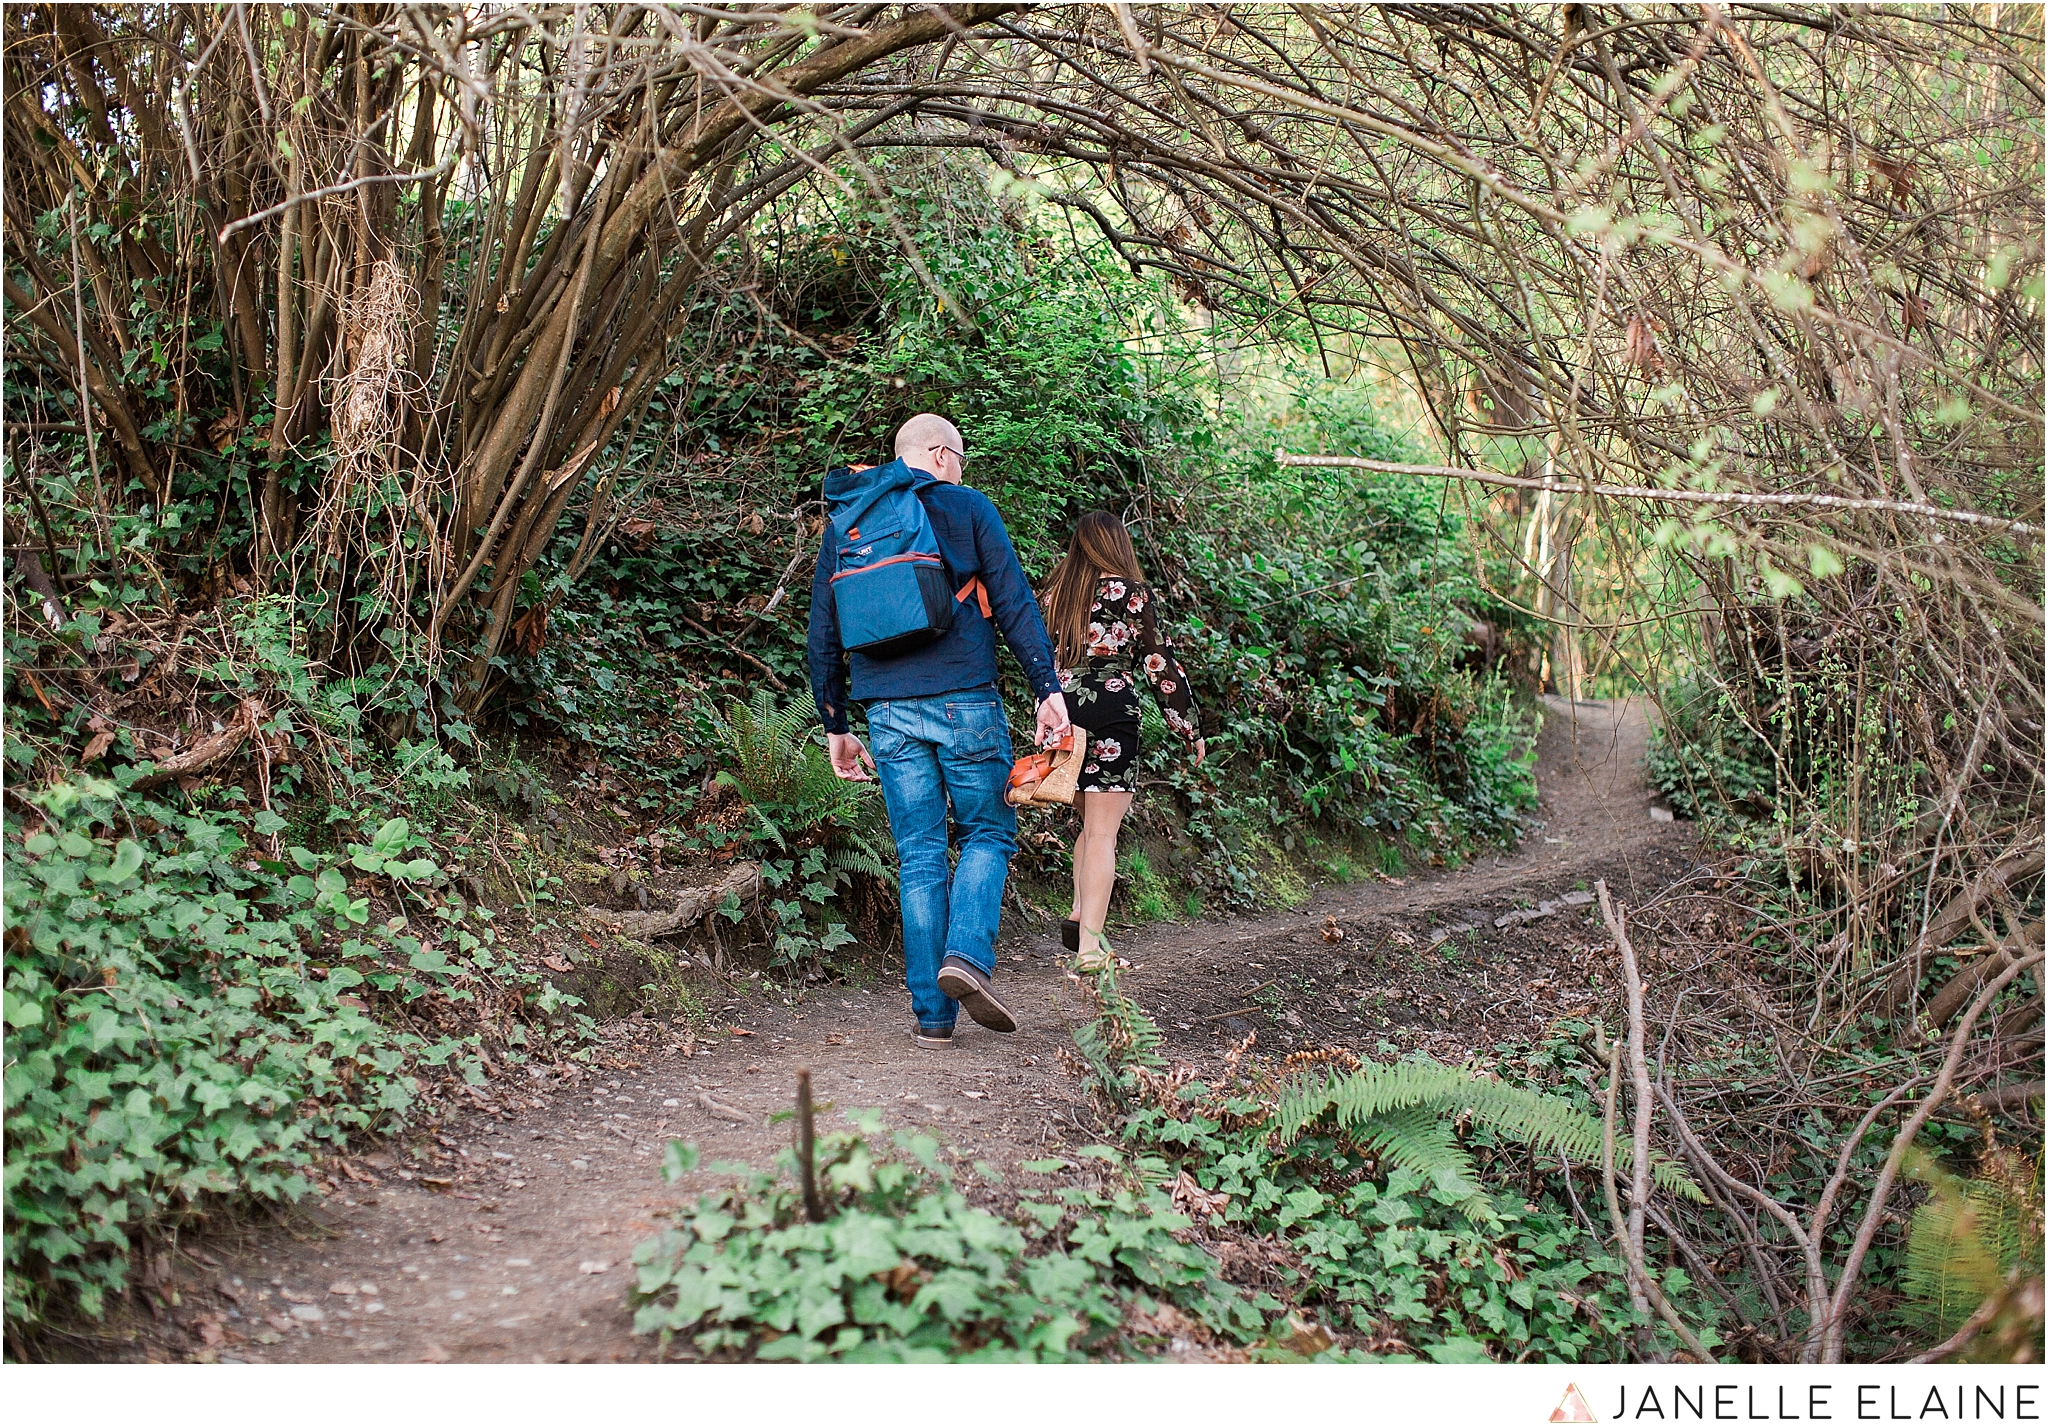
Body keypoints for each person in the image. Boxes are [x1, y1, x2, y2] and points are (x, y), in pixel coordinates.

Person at [807, 413, 1070, 1047]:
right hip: (965, 701)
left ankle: (932, 1017)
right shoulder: (968, 508)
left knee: (919, 854)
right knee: (987, 830)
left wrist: (836, 724)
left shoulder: (850, 520)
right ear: (941, 455)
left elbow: (824, 629)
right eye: (959, 456)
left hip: (887, 713)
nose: (961, 467)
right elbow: (1013, 601)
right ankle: (966, 958)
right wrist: (1047, 689)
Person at [1038, 511, 1204, 969]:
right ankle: (1090, 949)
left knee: (1089, 824)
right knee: (1103, 832)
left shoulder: (1055, 593)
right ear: (1117, 545)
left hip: (1063, 710)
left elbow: (1036, 653)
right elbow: (1158, 662)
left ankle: (1078, 914)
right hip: (1111, 710)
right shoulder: (1131, 593)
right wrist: (1187, 726)